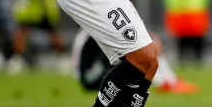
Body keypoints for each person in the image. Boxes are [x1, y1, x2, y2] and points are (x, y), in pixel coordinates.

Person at [71, 29, 199, 95]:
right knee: (145, 46)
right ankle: (166, 82)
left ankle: (169, 80)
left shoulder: (92, 26)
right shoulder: (99, 28)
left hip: (91, 76)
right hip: (91, 79)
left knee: (146, 43)